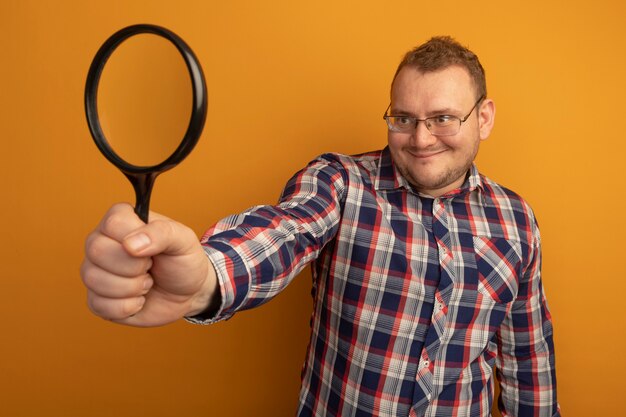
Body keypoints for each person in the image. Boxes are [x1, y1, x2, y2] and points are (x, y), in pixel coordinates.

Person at [81, 36, 560, 417]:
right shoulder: (340, 182)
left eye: (442, 118)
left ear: (484, 117)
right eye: (403, 118)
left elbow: (527, 362)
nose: (420, 138)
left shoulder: (516, 221)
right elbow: (286, 231)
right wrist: (208, 278)